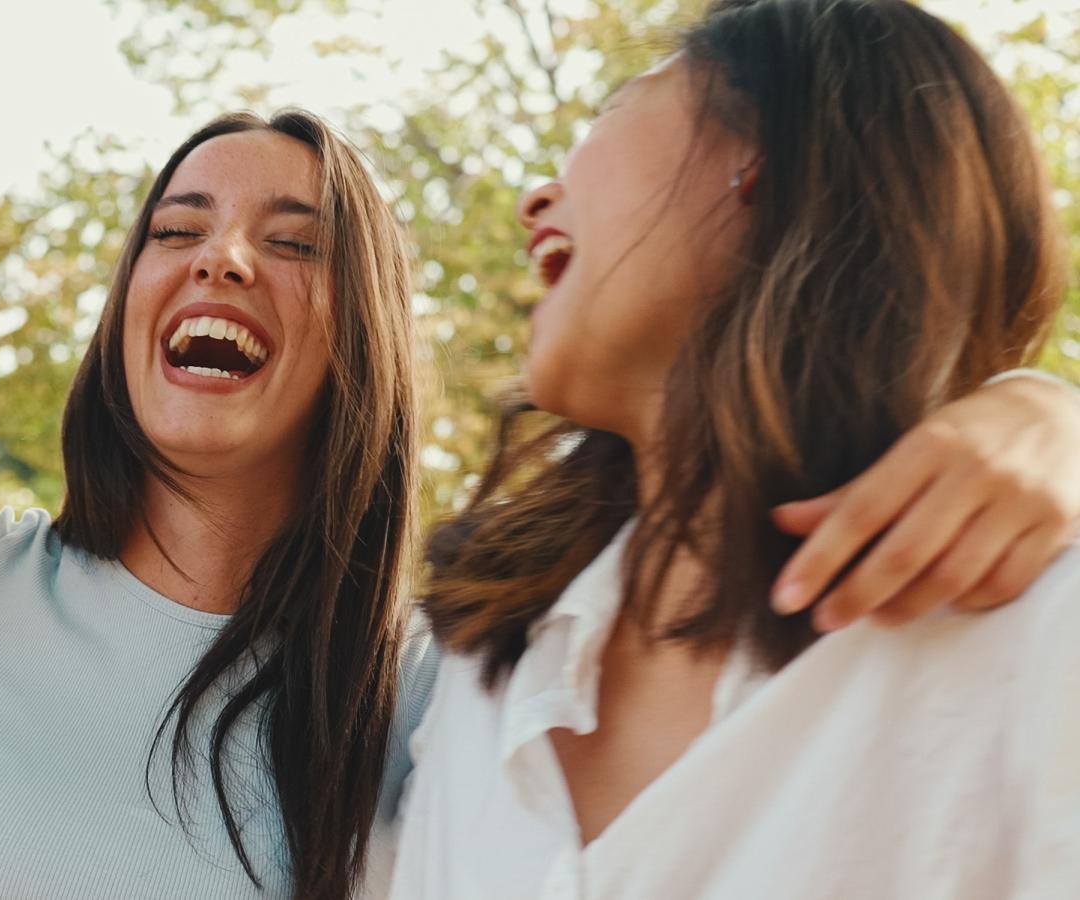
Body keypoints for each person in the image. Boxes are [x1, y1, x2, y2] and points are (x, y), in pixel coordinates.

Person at [0, 104, 1080, 900]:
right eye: (177, 227)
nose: (224, 258)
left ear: (355, 335)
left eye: (294, 240)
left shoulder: (449, 686)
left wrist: (1037, 407)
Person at [397, 0, 1080, 896]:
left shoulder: (1033, 635)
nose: (534, 200)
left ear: (761, 161)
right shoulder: (475, 675)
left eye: (607, 113)